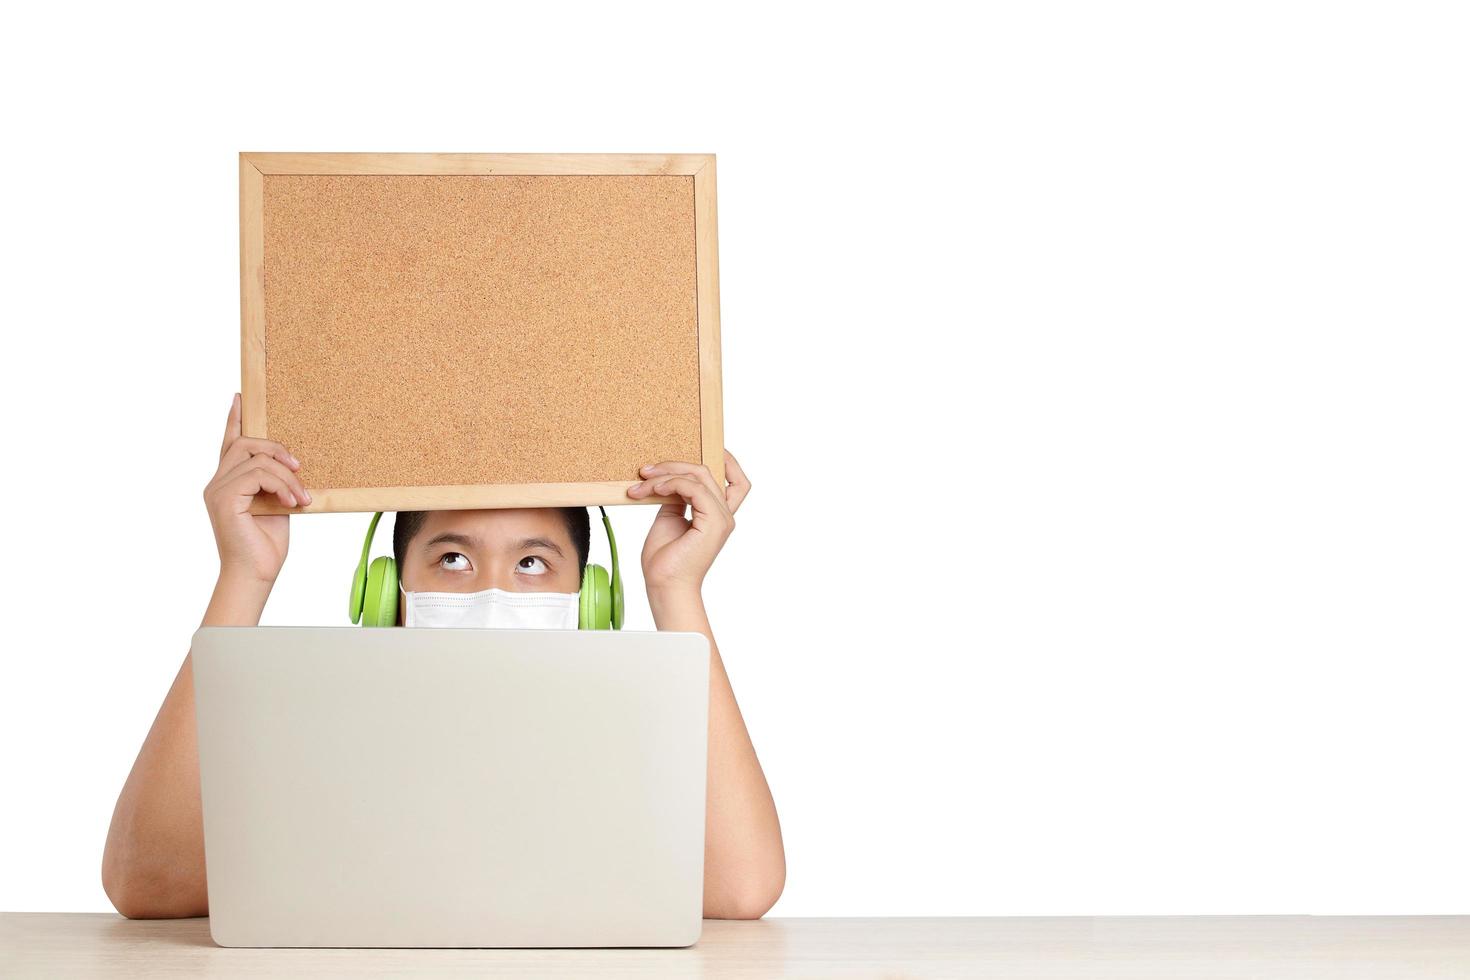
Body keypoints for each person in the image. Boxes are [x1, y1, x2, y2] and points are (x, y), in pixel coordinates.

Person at [101, 393, 785, 920]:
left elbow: (743, 887)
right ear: (386, 594)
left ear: (591, 599)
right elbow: (146, 881)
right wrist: (243, 577)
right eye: (451, 558)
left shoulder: (623, 746)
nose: (491, 589)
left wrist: (675, 590)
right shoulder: (323, 742)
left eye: (533, 563)